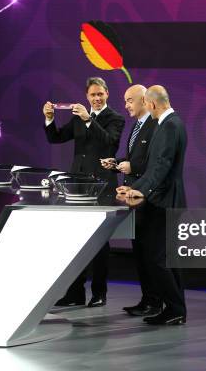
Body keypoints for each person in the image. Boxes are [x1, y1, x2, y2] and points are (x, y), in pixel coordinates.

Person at [43, 76, 125, 307]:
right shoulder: (78, 118)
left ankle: (100, 293)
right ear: (87, 96)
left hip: (102, 186)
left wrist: (90, 120)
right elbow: (56, 138)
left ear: (107, 93)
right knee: (76, 240)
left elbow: (110, 143)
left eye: (100, 94)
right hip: (78, 186)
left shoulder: (115, 118)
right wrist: (49, 119)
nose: (97, 98)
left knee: (100, 242)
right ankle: (75, 293)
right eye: (93, 95)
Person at [117, 85, 187, 325]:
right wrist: (134, 188)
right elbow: (154, 166)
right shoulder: (169, 123)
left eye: (146, 104)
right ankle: (176, 309)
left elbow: (161, 165)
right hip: (162, 198)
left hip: (165, 200)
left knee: (158, 259)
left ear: (153, 104)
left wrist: (140, 189)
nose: (146, 108)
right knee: (164, 259)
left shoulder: (169, 125)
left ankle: (175, 309)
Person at [101, 84, 161, 316]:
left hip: (148, 197)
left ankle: (155, 301)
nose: (125, 105)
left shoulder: (156, 126)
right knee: (140, 252)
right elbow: (134, 159)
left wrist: (132, 166)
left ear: (144, 100)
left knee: (149, 253)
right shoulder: (137, 126)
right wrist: (116, 163)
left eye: (129, 100)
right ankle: (147, 299)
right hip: (133, 197)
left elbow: (156, 163)